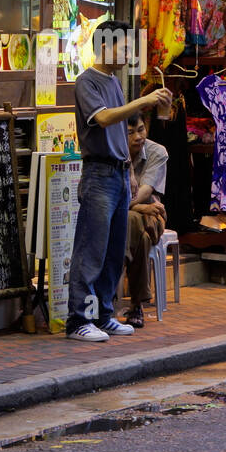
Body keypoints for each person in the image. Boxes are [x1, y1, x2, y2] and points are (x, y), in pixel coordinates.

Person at [67, 21, 172, 342]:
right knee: (91, 251)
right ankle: (78, 321)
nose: (128, 53)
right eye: (123, 47)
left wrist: (127, 171)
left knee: (114, 252)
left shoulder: (113, 81)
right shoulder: (87, 81)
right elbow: (103, 118)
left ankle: (103, 315)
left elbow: (121, 129)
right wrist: (143, 101)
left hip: (117, 174)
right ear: (103, 46)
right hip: (98, 174)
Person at [122, 111, 168, 328]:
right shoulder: (115, 152)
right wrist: (140, 206)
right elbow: (135, 200)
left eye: (140, 130)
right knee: (138, 231)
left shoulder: (158, 152)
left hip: (154, 216)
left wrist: (138, 205)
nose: (138, 137)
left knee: (133, 219)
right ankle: (136, 303)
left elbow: (144, 191)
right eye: (130, 133)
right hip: (135, 215)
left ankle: (109, 297)